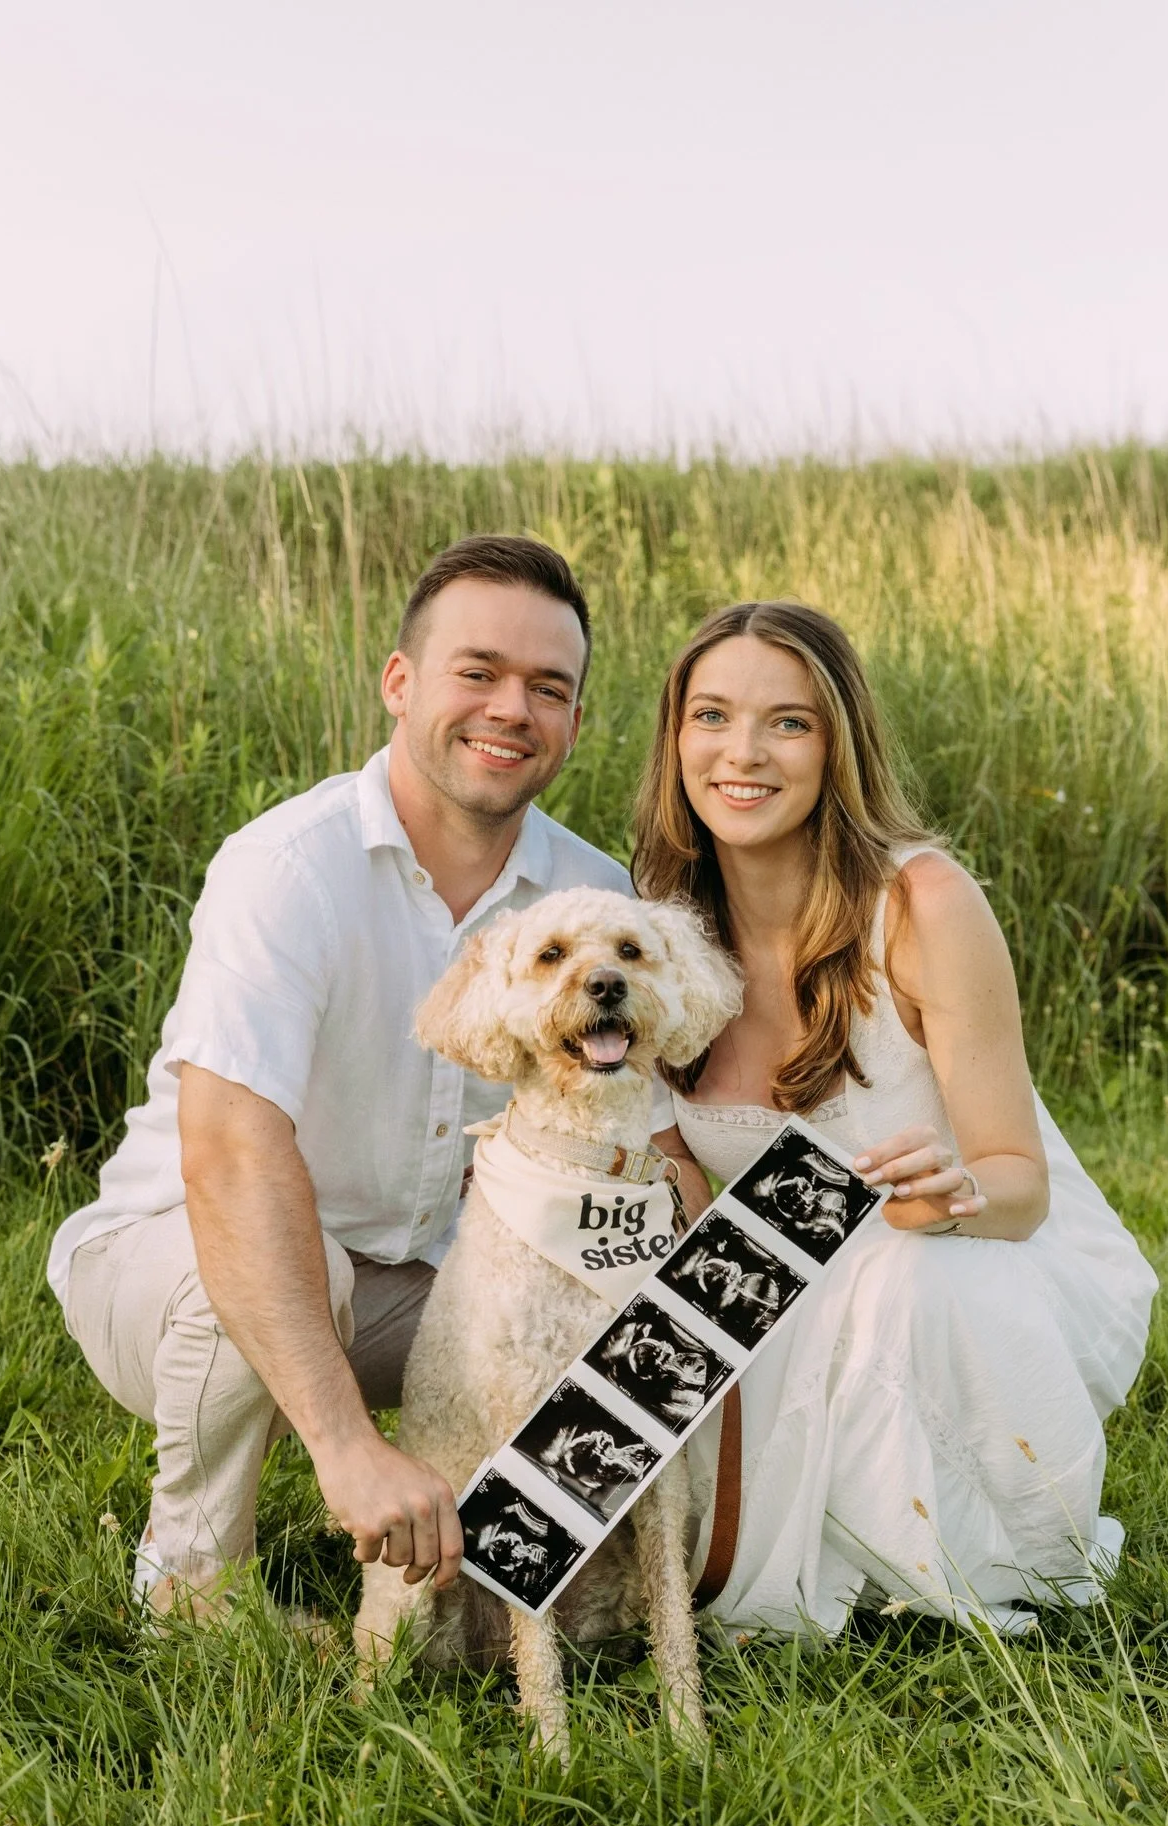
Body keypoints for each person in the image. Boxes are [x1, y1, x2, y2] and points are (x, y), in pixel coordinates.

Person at [48, 535, 703, 1620]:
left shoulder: (589, 899)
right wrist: (348, 1447)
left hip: (427, 1284)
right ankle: (190, 1586)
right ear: (400, 683)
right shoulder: (288, 868)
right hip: (174, 1263)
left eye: (549, 688)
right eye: (478, 672)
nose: (511, 709)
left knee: (579, 1291)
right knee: (297, 1262)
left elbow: (656, 1144)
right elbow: (227, 1158)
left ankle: (564, 1593)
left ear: (576, 726)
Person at [634, 602, 1158, 1635]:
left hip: (963, 1264)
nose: (742, 753)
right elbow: (675, 1185)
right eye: (712, 716)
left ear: (838, 745)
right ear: (675, 738)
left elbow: (1018, 1180)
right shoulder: (656, 916)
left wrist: (952, 1194)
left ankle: (974, 1554)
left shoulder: (923, 905)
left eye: (788, 723)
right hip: (768, 1290)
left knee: (910, 1277)